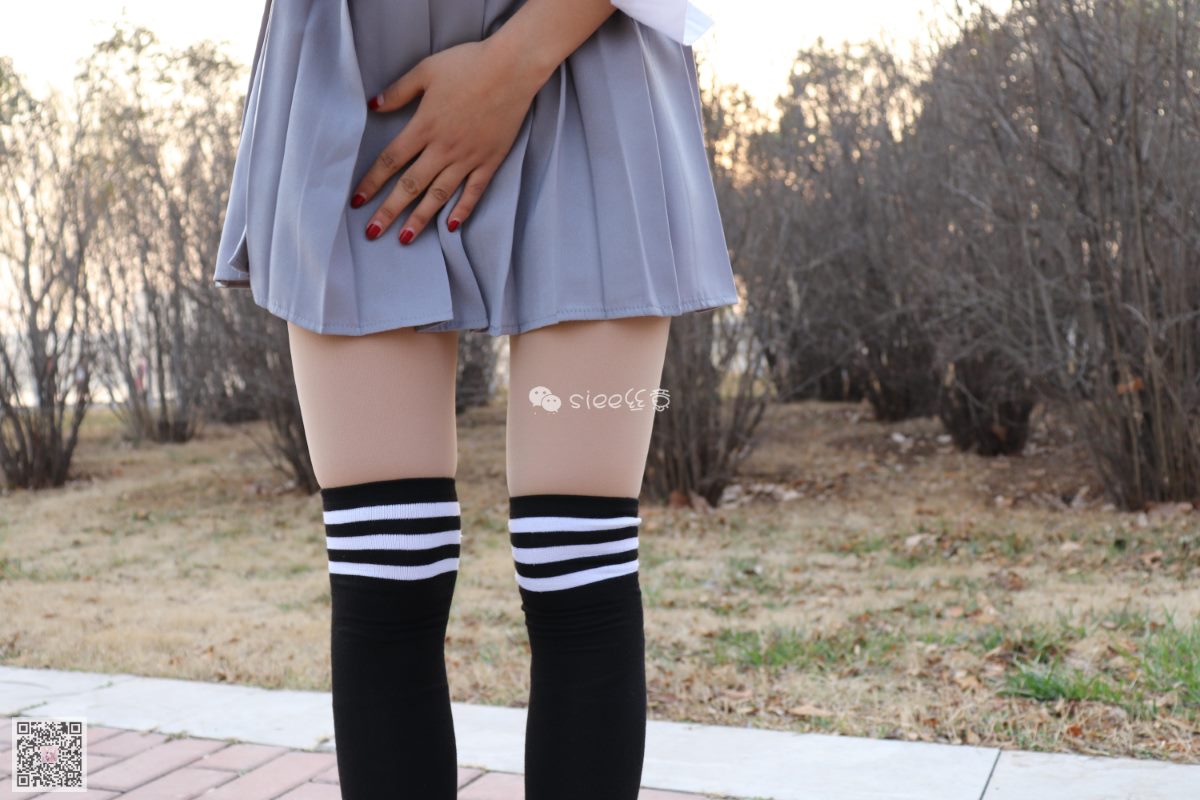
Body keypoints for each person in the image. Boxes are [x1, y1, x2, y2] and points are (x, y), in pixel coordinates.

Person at [211, 0, 738, 798]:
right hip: (358, 75)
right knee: (385, 566)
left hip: (584, 46)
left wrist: (515, 61)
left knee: (579, 564)